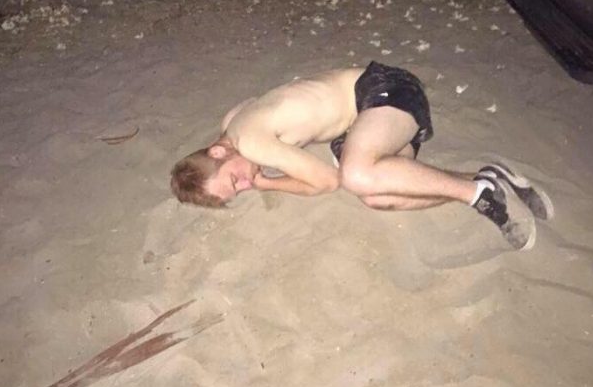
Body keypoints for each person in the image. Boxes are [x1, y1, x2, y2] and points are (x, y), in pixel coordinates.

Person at [170, 61, 552, 250]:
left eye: (234, 179)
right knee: (377, 197)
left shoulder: (251, 143)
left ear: (218, 151)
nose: (245, 183)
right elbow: (262, 103)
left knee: (354, 177)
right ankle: (486, 178)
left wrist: (266, 183)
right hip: (360, 125)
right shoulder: (231, 123)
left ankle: (479, 196)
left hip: (383, 90)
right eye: (238, 190)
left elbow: (326, 182)